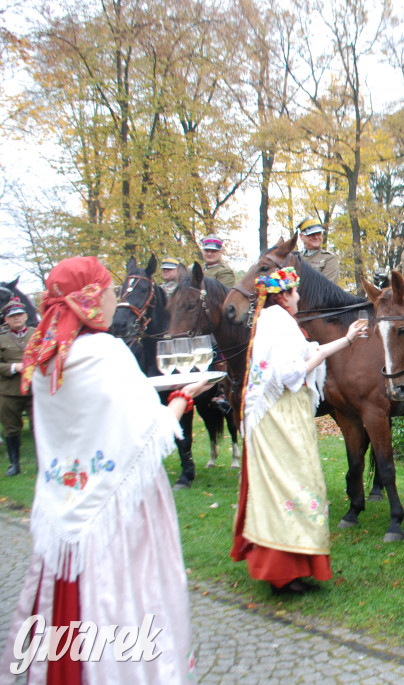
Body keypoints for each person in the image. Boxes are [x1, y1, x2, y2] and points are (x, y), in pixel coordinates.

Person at [1, 256, 211, 682]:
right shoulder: (106, 352)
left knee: (67, 603)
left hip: (64, 504)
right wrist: (184, 398)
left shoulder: (46, 357)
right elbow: (149, 436)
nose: (117, 297)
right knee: (126, 597)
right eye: (111, 288)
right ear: (91, 298)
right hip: (119, 512)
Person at [230, 266, 368, 595]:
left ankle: (294, 564)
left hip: (284, 414)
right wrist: (319, 356)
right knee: (292, 485)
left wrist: (347, 339)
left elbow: (310, 353)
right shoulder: (277, 323)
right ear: (281, 296)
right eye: (293, 291)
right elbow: (291, 374)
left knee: (296, 485)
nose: (299, 296)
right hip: (279, 417)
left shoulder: (278, 322)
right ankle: (282, 571)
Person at [0, 298, 35, 476]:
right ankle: (14, 464)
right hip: (9, 391)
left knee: (39, 426)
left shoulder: (38, 335)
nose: (16, 318)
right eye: (12, 316)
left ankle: (42, 462)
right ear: (6, 319)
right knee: (11, 428)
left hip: (35, 390)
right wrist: (15, 367)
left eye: (19, 314)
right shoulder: (1, 339)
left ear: (26, 316)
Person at [297, 216, 342, 283]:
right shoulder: (296, 257)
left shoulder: (329, 258)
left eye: (319, 233)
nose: (316, 237)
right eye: (311, 234)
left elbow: (327, 288)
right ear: (301, 236)